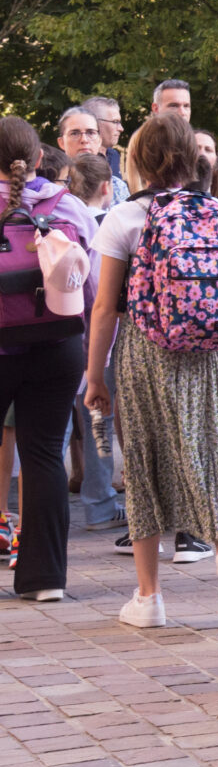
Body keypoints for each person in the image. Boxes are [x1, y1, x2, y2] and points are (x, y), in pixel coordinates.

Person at [84, 113, 218, 627]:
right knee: (203, 449)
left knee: (144, 462)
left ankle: (149, 598)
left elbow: (104, 309)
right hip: (207, 350)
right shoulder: (214, 209)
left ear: (139, 160)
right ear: (193, 159)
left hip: (146, 348)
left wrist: (95, 375)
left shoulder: (125, 218)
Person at [2, 117, 98, 603]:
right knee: (44, 456)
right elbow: (94, 289)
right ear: (41, 158)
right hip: (58, 343)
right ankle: (44, 580)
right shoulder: (71, 207)